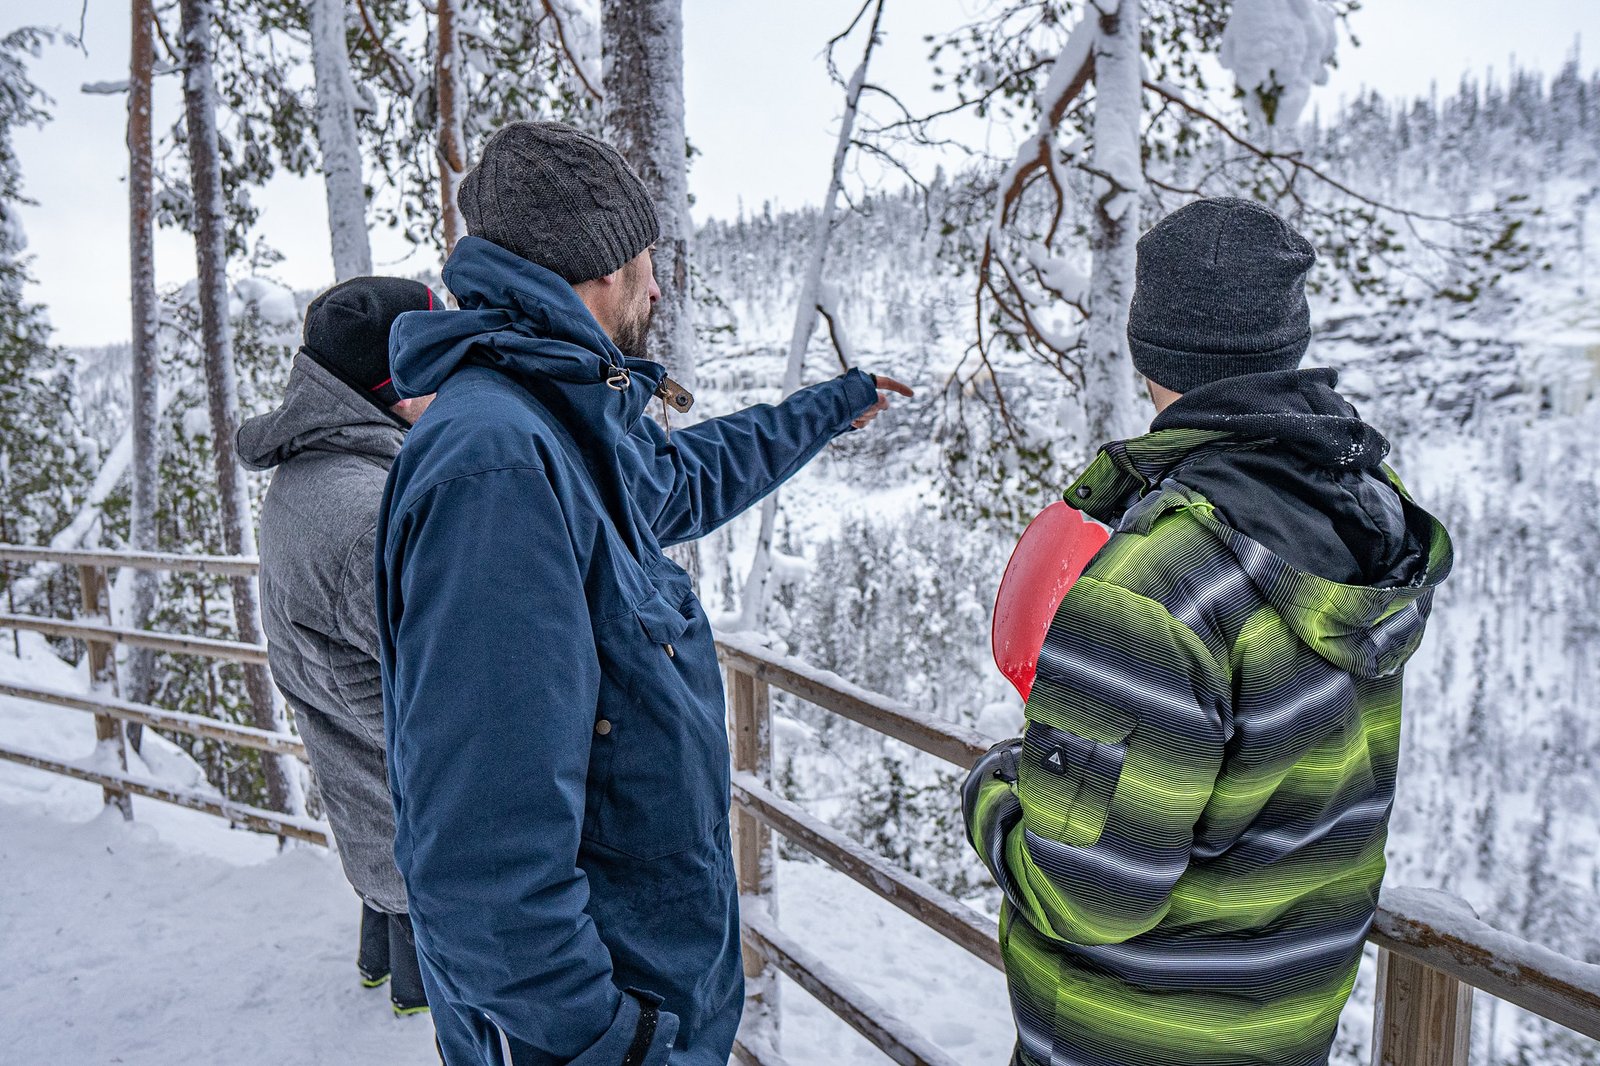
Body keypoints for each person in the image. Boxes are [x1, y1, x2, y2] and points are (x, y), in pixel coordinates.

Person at [375, 120, 913, 1066]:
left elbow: (689, 475)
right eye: (647, 260)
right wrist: (618, 1042)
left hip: (643, 997)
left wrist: (832, 404)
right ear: (601, 271)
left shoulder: (554, 421)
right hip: (597, 1036)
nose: (659, 285)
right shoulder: (499, 466)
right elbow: (483, 865)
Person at [963, 197, 1454, 1066]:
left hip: (1129, 1040)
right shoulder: (1360, 517)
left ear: (1149, 346)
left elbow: (1089, 896)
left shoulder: (1159, 585)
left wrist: (994, 793)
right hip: (1282, 1030)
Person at [238, 276, 440, 1018]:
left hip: (363, 786)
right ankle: (407, 1011)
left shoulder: (317, 471)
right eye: (437, 353)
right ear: (395, 379)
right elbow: (452, 692)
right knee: (430, 991)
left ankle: (376, 978)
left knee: (383, 902)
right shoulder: (364, 514)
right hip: (409, 817)